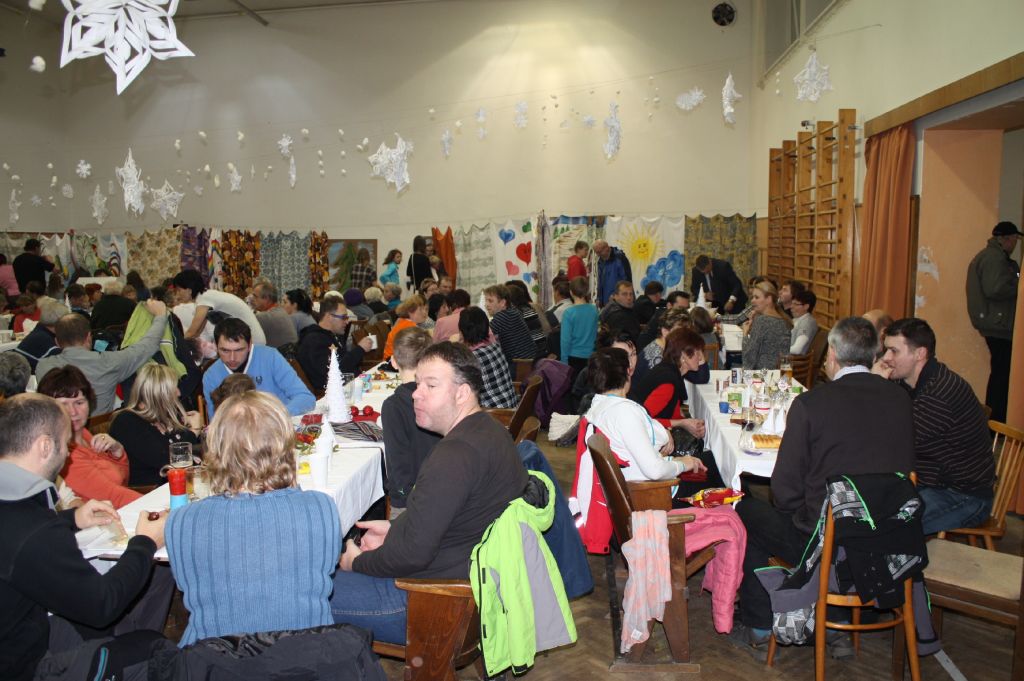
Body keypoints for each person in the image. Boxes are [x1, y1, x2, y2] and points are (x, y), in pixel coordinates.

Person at [730, 317, 915, 660]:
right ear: (874, 354)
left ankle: (760, 625)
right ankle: (836, 619)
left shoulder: (811, 404)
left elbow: (784, 492)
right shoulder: (900, 399)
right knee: (830, 525)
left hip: (824, 540)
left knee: (745, 511)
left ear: (831, 354)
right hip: (887, 538)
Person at [329, 342, 529, 643]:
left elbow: (412, 554)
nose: (415, 394)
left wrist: (354, 563)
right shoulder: (490, 431)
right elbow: (450, 518)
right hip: (469, 585)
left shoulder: (454, 456)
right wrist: (395, 529)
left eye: (431, 385)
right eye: (417, 383)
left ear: (462, 393)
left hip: (432, 603)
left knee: (303, 592)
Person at [0, 393, 171, 681]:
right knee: (157, 652)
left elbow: (17, 540)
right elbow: (101, 606)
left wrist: (72, 519)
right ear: (44, 446)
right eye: (66, 443)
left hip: (24, 629)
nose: (68, 454)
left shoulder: (18, 508)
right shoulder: (36, 529)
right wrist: (146, 542)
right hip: (25, 665)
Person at [166, 391, 341, 646]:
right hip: (305, 653)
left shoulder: (181, 521)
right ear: (286, 446)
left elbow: (187, 586)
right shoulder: (321, 508)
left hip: (213, 658)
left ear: (216, 449)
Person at [879, 318, 995, 535]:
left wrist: (876, 387)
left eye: (893, 351)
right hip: (929, 481)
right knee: (868, 509)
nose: (885, 358)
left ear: (920, 354)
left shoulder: (939, 393)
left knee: (888, 527)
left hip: (962, 495)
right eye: (886, 350)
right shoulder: (906, 382)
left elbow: (891, 442)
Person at [584, 347, 707, 481]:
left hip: (636, 475)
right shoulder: (625, 412)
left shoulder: (597, 406)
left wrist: (676, 460)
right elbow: (655, 471)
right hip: (653, 487)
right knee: (714, 464)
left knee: (707, 460)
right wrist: (683, 464)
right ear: (628, 372)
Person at [37, 301, 169, 415]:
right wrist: (160, 316)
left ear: (57, 342)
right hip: (99, 430)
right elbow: (148, 345)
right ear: (89, 337)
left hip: (58, 430)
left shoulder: (42, 367)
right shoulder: (109, 362)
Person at [37, 366, 141, 508]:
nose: (73, 412)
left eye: (79, 402)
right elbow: (113, 496)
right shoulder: (62, 454)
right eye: (63, 405)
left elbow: (122, 482)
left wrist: (118, 452)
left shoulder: (85, 435)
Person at [109, 363, 202, 487]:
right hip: (148, 491)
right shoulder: (127, 422)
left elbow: (186, 453)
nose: (178, 393)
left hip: (174, 485)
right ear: (159, 393)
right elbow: (168, 461)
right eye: (174, 388)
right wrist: (194, 431)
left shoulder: (164, 416)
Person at [381, 326, 441, 515]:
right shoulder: (440, 394)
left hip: (411, 499)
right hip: (443, 486)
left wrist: (399, 500)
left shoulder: (393, 406)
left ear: (393, 361)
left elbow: (397, 462)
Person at [203, 318, 315, 418]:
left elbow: (305, 397)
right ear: (216, 346)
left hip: (279, 424)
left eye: (239, 350)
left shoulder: (270, 357)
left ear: (250, 345)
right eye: (225, 350)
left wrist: (276, 416)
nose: (232, 358)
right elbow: (216, 421)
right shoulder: (211, 376)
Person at [966, 220, 1021, 423]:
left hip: (996, 324)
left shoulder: (994, 257)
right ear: (1007, 239)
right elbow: (995, 289)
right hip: (999, 325)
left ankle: (996, 420)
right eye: (1014, 240)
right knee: (1002, 376)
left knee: (1001, 374)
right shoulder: (994, 258)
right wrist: (1019, 286)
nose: (1015, 244)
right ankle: (996, 421)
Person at [630, 327, 710, 435]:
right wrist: (683, 423)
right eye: (697, 352)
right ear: (684, 356)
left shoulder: (670, 369)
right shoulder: (668, 383)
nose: (700, 358)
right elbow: (644, 421)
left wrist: (686, 421)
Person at [172, 269, 266, 345]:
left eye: (179, 290)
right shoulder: (205, 297)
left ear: (189, 290)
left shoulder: (204, 299)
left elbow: (192, 332)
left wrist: (176, 346)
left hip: (252, 340)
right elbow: (197, 333)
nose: (178, 294)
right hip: (250, 338)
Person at [297, 296, 372, 392]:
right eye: (343, 317)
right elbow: (333, 373)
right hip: (331, 393)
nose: (347, 321)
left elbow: (344, 362)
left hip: (347, 385)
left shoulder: (332, 335)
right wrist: (359, 349)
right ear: (329, 317)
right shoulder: (314, 341)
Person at [459, 306, 517, 409]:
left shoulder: (472, 358)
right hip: (512, 407)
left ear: (462, 331)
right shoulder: (495, 346)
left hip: (496, 414)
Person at [483, 284, 537, 373]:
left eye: (490, 301)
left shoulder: (503, 317)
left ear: (502, 303)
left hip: (518, 365)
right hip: (529, 362)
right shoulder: (513, 311)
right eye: (486, 300)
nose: (486, 304)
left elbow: (481, 335)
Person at [741, 281, 791, 370]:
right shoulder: (784, 321)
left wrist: (745, 334)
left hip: (760, 375)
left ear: (768, 299)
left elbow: (748, 360)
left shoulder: (762, 321)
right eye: (752, 297)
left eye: (756, 297)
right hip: (779, 374)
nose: (752, 300)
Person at [635, 307, 690, 380]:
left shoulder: (662, 347)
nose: (686, 337)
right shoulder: (658, 359)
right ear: (665, 332)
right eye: (680, 332)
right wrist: (680, 373)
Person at [560, 276, 599, 375]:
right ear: (587, 291)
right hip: (591, 357)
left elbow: (565, 341)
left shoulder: (568, 313)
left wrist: (564, 362)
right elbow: (596, 333)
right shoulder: (594, 310)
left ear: (571, 292)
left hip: (574, 357)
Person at [13, 300, 66, 370]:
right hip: (27, 374)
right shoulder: (48, 342)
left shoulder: (39, 330)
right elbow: (63, 367)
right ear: (60, 321)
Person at [251, 282, 298, 349]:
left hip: (281, 354)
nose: (252, 299)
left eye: (255, 296)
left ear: (266, 299)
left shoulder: (264, 317)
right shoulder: (280, 311)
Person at [383, 295, 428, 360]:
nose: (424, 312)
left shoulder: (402, 322)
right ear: (410, 311)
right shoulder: (410, 327)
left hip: (393, 359)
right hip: (395, 362)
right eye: (420, 309)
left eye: (425, 309)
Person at [592, 239, 632, 307]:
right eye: (596, 253)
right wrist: (599, 298)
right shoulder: (600, 261)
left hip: (619, 302)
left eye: (599, 252)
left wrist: (615, 295)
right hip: (606, 303)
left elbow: (626, 281)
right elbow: (600, 281)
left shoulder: (620, 258)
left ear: (606, 248)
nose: (598, 255)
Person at [789, 289, 818, 355]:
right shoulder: (797, 319)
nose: (791, 306)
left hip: (794, 359)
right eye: (792, 303)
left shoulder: (807, 323)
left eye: (795, 304)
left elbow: (797, 350)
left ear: (806, 307)